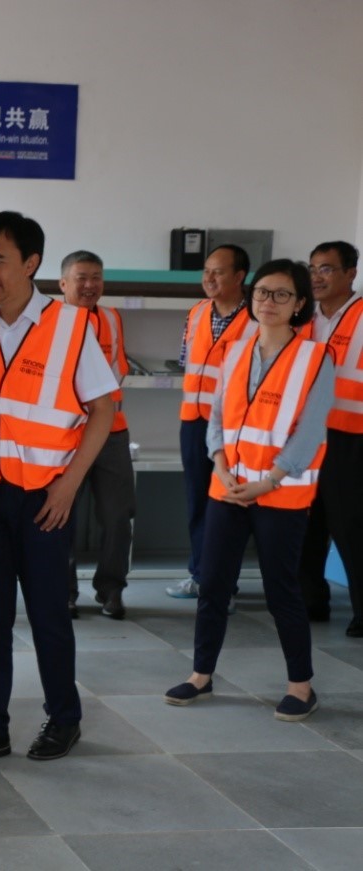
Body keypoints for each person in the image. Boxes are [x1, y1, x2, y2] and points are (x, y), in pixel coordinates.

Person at [0, 211, 117, 771]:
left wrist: (68, 487)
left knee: (47, 615)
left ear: (31, 263)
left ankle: (64, 718)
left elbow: (103, 411)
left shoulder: (71, 326)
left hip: (44, 499)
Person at [165, 259, 334, 720]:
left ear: (300, 304)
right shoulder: (237, 350)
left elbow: (309, 432)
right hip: (229, 488)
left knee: (282, 590)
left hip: (280, 493)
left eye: (281, 294)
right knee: (213, 584)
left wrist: (269, 480)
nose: (268, 302)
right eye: (262, 292)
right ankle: (200, 675)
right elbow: (218, 416)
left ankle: (301, 686)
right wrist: (220, 465)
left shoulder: (315, 357)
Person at [167, 245, 258, 602]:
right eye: (206, 271)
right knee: (197, 502)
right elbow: (187, 362)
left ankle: (222, 585)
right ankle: (200, 575)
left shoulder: (257, 319)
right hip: (193, 422)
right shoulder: (197, 312)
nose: (209, 278)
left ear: (239, 276)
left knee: (227, 507)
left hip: (234, 428)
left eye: (218, 272)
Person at [58, 251, 135, 621]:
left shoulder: (112, 318)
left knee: (118, 516)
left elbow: (117, 369)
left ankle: (111, 589)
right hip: (65, 436)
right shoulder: (49, 322)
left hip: (111, 433)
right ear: (63, 284)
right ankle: (64, 593)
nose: (90, 286)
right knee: (60, 515)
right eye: (81, 278)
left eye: (96, 278)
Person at [294, 242, 363, 638]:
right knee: (307, 520)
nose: (316, 277)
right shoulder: (306, 318)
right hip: (308, 433)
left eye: (326, 269)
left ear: (351, 273)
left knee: (350, 525)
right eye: (312, 269)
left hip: (351, 436)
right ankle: (310, 600)